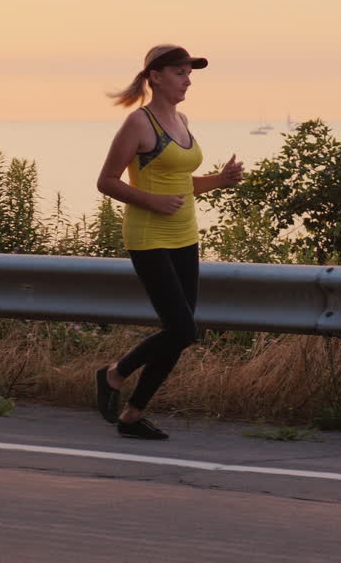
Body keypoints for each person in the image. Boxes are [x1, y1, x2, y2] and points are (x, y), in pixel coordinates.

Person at [93, 44, 243, 439]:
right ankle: (114, 374)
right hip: (149, 237)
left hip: (184, 235)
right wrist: (151, 201)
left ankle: (132, 415)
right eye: (180, 72)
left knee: (180, 332)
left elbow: (182, 184)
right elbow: (106, 181)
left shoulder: (181, 119)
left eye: (189, 72)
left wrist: (220, 180)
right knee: (182, 329)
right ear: (155, 76)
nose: (188, 79)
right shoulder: (139, 124)